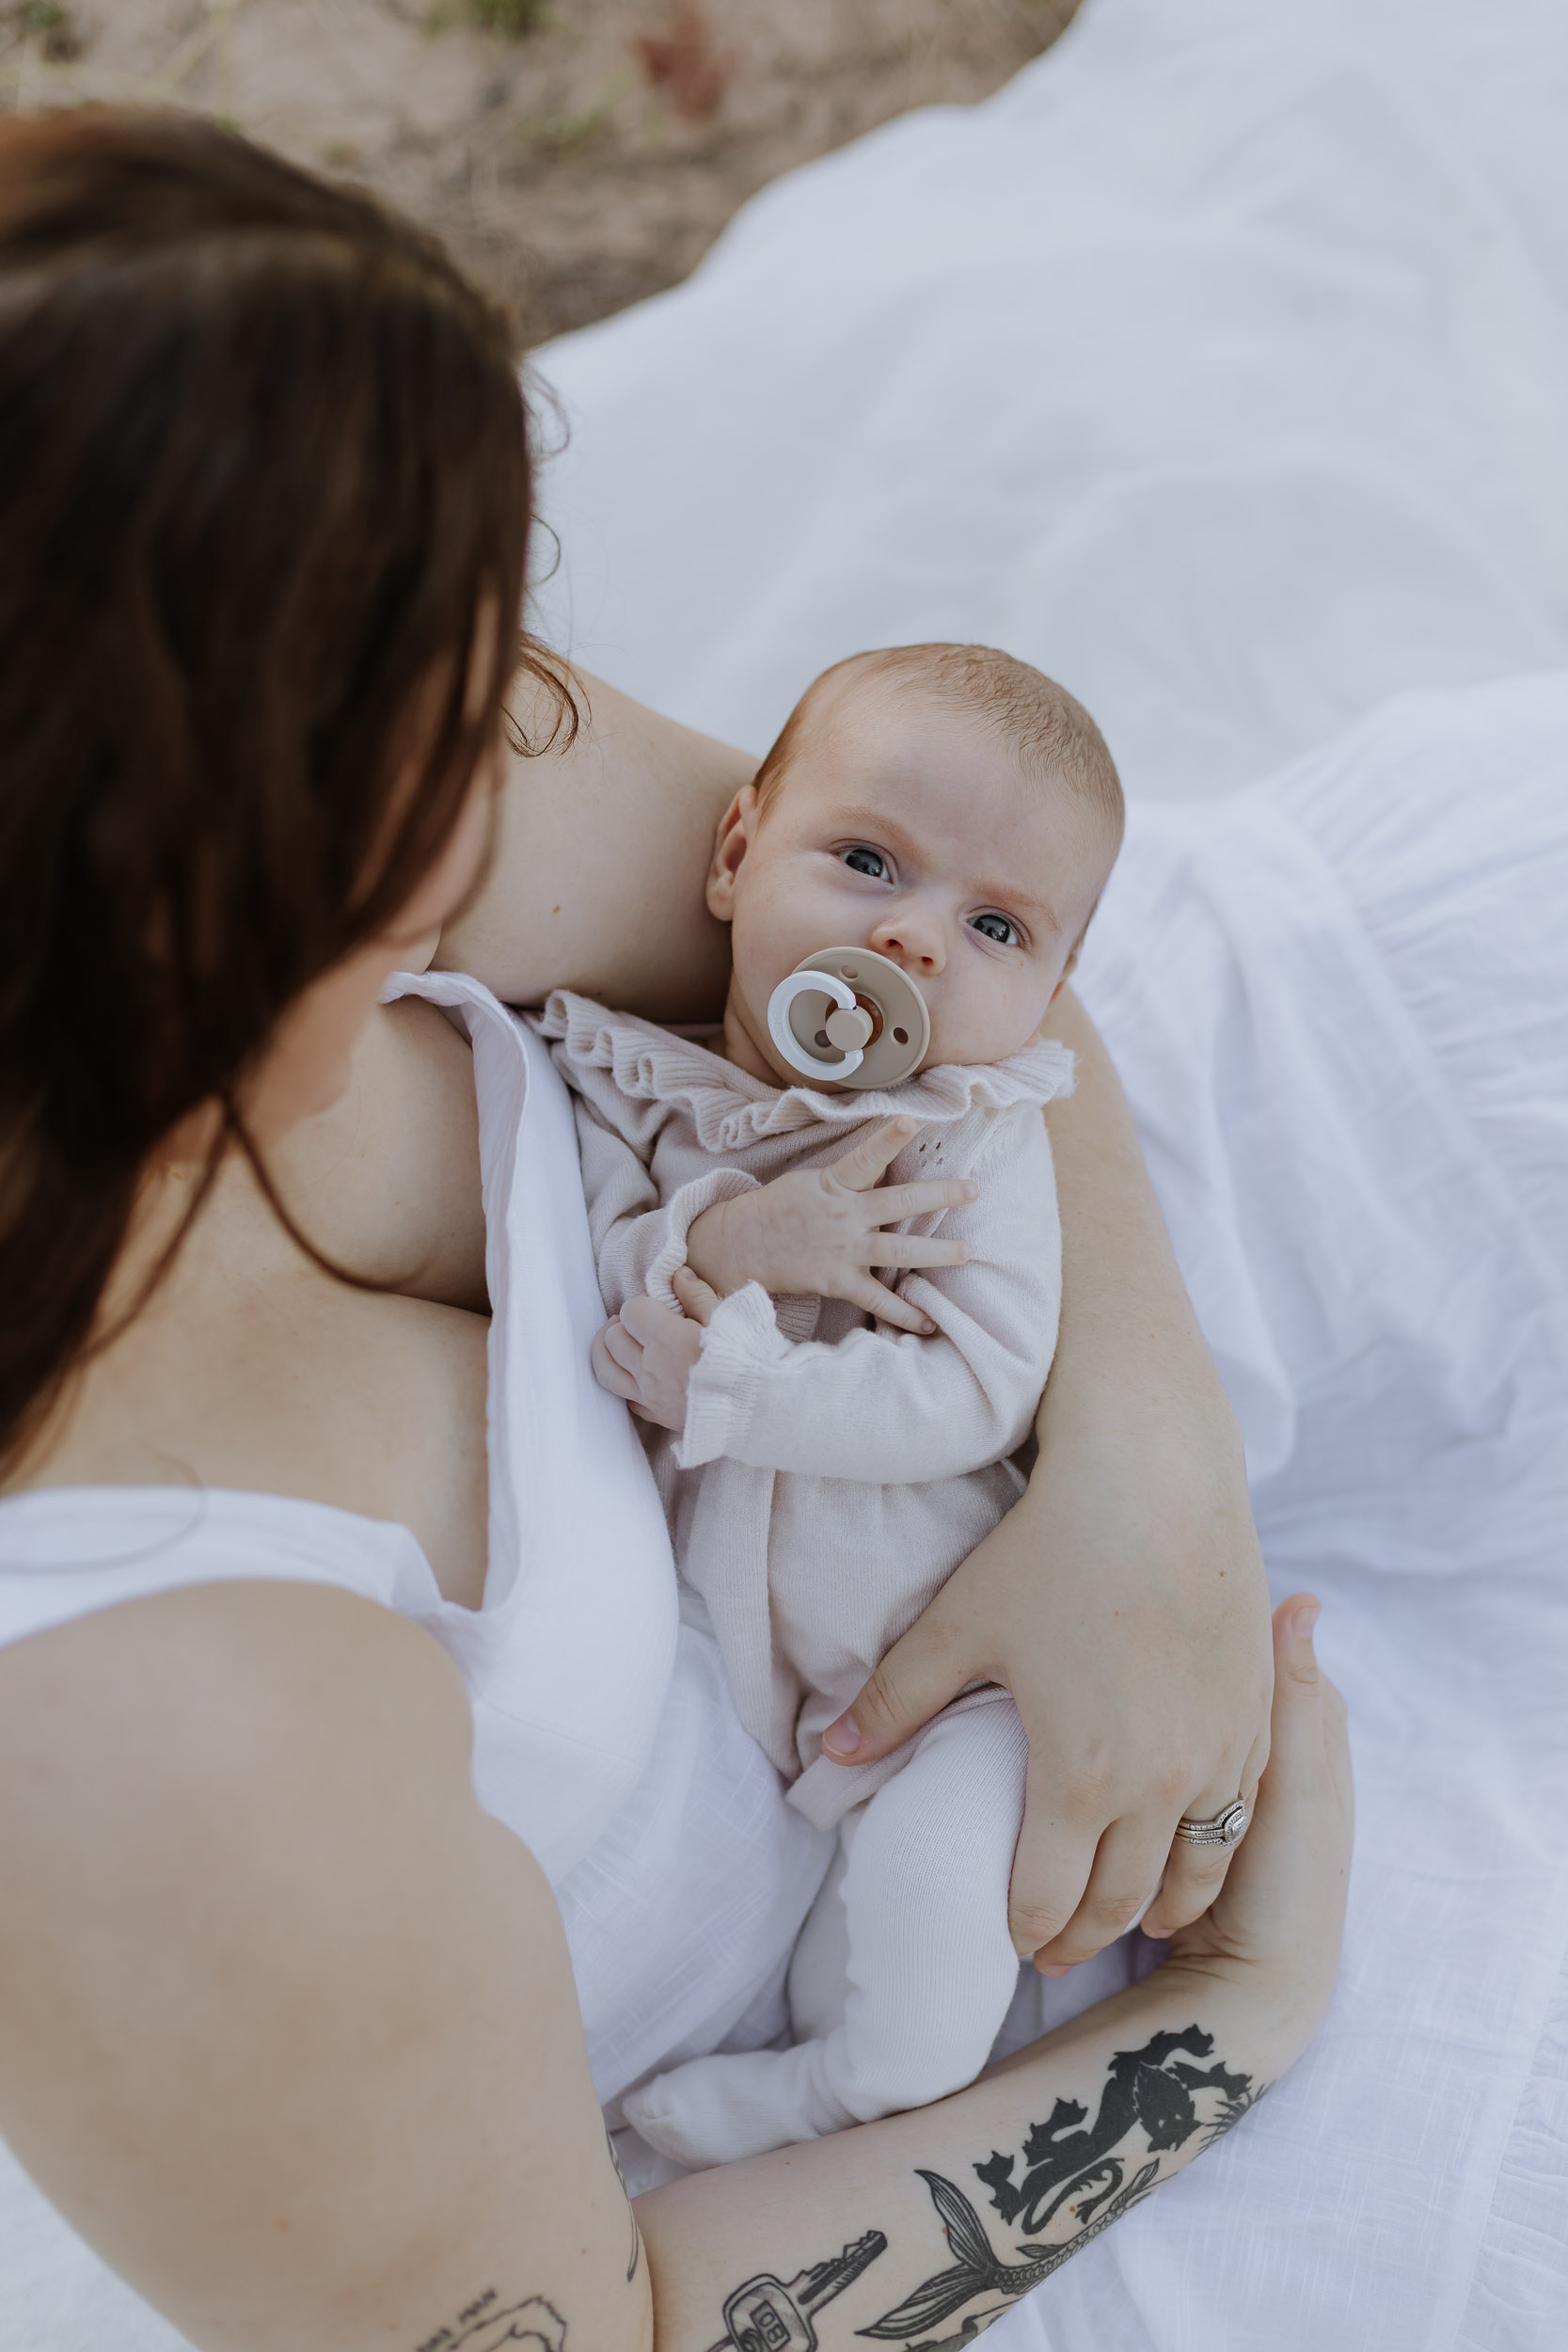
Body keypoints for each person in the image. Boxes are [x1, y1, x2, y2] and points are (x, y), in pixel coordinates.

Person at [0, 110, 1346, 2352]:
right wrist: (1235, 2009)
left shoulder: (245, 703)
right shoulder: (143, 1731)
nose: (521, 756)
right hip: (824, 2126)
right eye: (440, 720)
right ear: (173, 868)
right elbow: (602, 2323)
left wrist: (1144, 1467)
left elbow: (944, 969)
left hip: (996, 1562)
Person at [541, 643, 1128, 2163]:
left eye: (994, 925)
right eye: (868, 859)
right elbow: (585, 1266)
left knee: (932, 1918)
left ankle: (843, 2092)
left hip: (952, 1685)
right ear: (737, 854)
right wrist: (729, 1244)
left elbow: (977, 1389)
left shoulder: (973, 1142)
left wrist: (742, 1381)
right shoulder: (630, 1086)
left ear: (1051, 992)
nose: (915, 940)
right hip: (729, 1686)